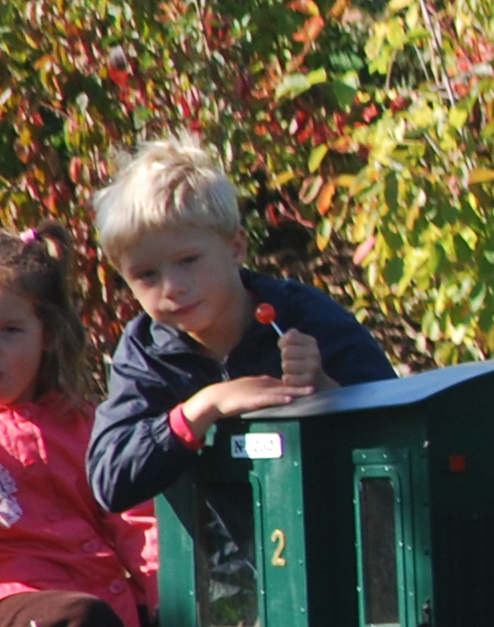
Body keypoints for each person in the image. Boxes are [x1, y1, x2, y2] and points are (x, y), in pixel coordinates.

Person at [86, 135, 392, 518]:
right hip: (214, 568)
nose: (172, 287)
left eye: (188, 260)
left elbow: (397, 438)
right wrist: (201, 409)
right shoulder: (145, 352)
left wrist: (325, 390)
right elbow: (109, 482)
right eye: (146, 274)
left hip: (324, 545)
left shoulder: (304, 318)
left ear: (236, 247)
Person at [0, 233, 156, 627]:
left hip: (86, 621)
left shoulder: (83, 426)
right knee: (71, 619)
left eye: (9, 330)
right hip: (16, 620)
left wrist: (163, 602)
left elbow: (136, 524)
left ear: (49, 336)